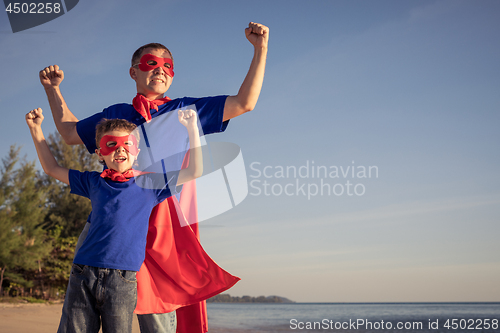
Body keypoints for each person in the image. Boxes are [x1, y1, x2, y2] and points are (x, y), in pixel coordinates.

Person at [39, 22, 269, 333]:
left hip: (164, 227)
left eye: (166, 66)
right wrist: (53, 90)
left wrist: (260, 50)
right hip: (113, 223)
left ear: (173, 74)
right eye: (150, 63)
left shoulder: (187, 111)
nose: (159, 70)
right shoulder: (116, 115)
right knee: (83, 316)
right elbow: (68, 133)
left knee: (157, 319)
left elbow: (245, 103)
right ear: (133, 72)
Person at [26, 107, 203, 333]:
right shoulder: (93, 182)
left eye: (127, 144)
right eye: (111, 144)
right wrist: (36, 129)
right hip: (83, 273)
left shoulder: (151, 184)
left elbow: (195, 170)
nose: (120, 149)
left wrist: (191, 129)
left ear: (136, 151)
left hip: (123, 279)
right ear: (100, 153)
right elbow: (52, 169)